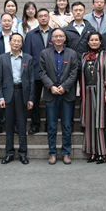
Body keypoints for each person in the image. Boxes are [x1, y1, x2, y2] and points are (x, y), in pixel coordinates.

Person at [39, 28, 79, 165]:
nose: (58, 38)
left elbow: (74, 72)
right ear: (51, 38)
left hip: (67, 94)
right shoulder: (45, 53)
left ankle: (66, 153)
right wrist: (51, 86)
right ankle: (52, 153)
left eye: (61, 36)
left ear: (65, 38)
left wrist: (65, 87)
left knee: (67, 126)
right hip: (51, 94)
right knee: (51, 126)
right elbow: (42, 72)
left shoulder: (72, 53)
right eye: (55, 36)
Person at [0, 33, 35, 165]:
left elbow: (31, 80)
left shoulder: (28, 58)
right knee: (9, 125)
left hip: (22, 93)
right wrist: (0, 97)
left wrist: (31, 98)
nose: (16, 43)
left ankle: (23, 153)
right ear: (9, 42)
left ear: (22, 43)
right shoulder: (2, 58)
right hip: (7, 93)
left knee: (22, 125)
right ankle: (9, 153)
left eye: (19, 41)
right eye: (14, 40)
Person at [80, 33, 106, 164]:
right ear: (88, 42)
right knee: (90, 123)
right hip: (87, 91)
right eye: (91, 40)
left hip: (101, 91)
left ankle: (102, 153)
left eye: (96, 40)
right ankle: (93, 152)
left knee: (101, 122)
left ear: (100, 42)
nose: (94, 42)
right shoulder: (84, 56)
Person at [23, 8, 53, 134]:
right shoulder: (31, 34)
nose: (43, 18)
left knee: (50, 101)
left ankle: (49, 124)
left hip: (51, 74)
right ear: (37, 18)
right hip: (35, 72)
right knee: (34, 100)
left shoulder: (55, 33)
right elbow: (27, 55)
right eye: (40, 16)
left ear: (49, 17)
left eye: (45, 16)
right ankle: (35, 124)